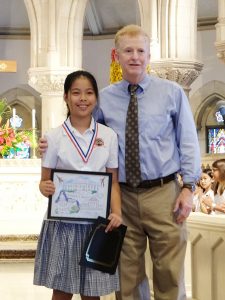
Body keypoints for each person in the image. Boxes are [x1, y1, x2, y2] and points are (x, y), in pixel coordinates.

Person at [39, 25, 201, 300]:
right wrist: (51, 142)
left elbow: (188, 141)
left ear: (149, 55)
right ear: (116, 55)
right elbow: (86, 138)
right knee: (127, 278)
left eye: (140, 51)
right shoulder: (105, 98)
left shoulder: (171, 93)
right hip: (121, 195)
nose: (135, 56)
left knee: (169, 274)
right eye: (128, 51)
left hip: (164, 194)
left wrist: (189, 187)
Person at [34, 70, 122, 300]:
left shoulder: (109, 136)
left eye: (89, 93)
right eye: (76, 93)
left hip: (96, 224)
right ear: (66, 97)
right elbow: (45, 181)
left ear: (95, 98)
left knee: (92, 293)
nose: (83, 98)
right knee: (61, 290)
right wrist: (45, 187)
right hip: (63, 223)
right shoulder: (53, 137)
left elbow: (113, 181)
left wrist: (117, 213)